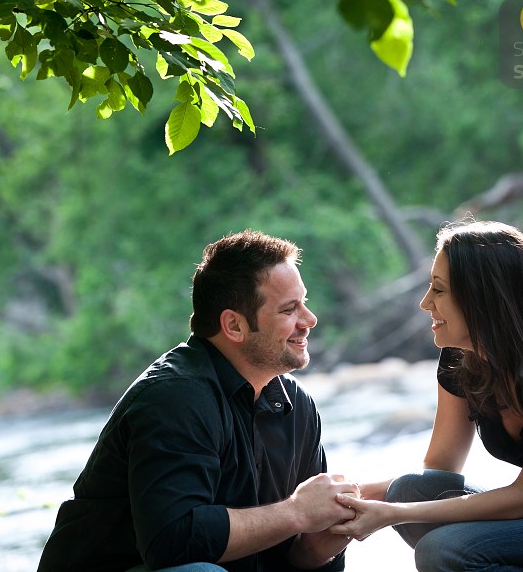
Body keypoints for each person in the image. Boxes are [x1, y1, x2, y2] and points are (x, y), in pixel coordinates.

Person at [38, 229, 358, 572]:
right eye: (289, 309)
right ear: (234, 326)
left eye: (304, 302)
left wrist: (314, 550)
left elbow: (288, 550)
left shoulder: (298, 406)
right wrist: (295, 512)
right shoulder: (174, 397)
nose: (309, 320)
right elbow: (172, 542)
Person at [331, 220, 523, 571]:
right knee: (408, 489)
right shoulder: (462, 358)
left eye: (438, 289)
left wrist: (389, 515)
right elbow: (439, 466)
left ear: (483, 297)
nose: (425, 303)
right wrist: (355, 496)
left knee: (443, 549)